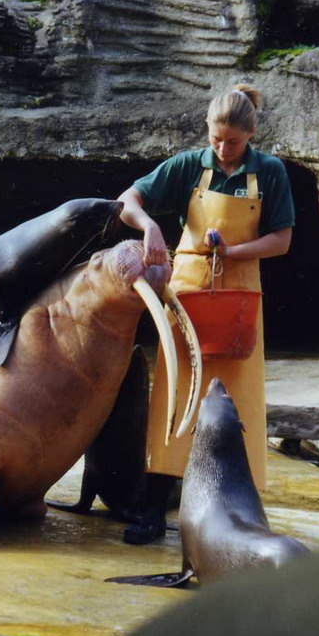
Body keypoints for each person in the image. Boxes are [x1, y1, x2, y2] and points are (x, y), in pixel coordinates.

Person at [118, 85, 295, 544]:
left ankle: (241, 519)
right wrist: (151, 225)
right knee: (176, 399)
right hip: (188, 296)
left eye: (232, 141)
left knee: (240, 406)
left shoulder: (269, 172)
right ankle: (154, 511)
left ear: (251, 133)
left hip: (239, 297)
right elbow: (128, 201)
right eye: (216, 139)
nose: (222, 149)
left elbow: (281, 240)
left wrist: (234, 250)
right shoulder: (186, 166)